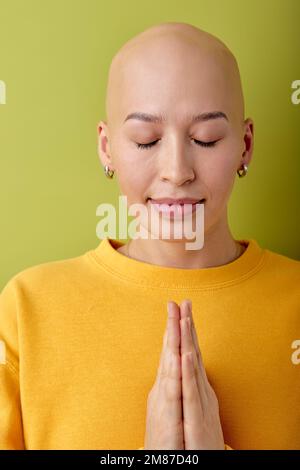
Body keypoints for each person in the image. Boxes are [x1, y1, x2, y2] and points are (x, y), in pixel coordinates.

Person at [0, 21, 299, 450]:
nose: (176, 171)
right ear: (107, 148)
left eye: (205, 138)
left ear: (245, 146)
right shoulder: (27, 311)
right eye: (146, 140)